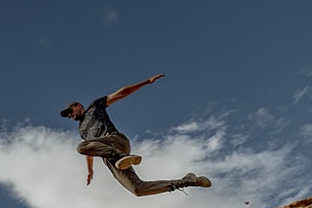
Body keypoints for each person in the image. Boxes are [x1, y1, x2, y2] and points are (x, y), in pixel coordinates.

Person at [60, 73, 211, 196]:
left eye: (70, 111)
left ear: (79, 106)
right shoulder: (81, 130)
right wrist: (90, 170)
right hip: (110, 158)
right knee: (138, 189)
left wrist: (146, 82)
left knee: (80, 147)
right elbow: (90, 149)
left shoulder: (94, 107)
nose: (70, 116)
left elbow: (122, 92)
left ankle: (121, 156)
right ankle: (189, 181)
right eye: (68, 116)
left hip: (115, 140)